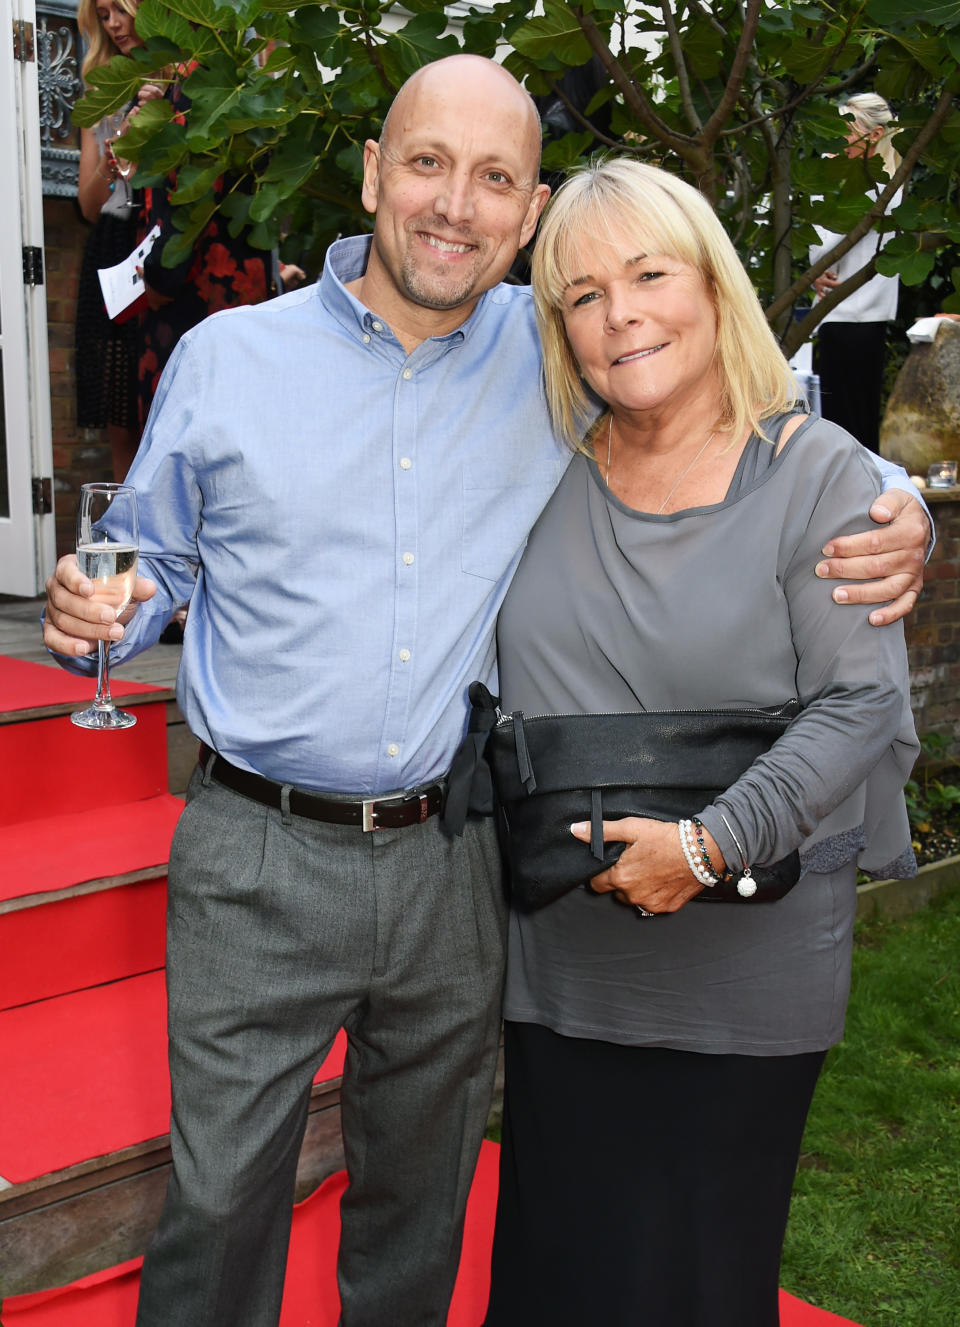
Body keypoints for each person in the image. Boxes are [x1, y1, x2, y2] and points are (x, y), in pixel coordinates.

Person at [43, 56, 928, 1327]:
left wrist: (904, 519)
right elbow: (147, 554)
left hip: (452, 856)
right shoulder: (231, 358)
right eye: (427, 163)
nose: (454, 205)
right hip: (256, 850)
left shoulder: (559, 349)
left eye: (495, 180)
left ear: (524, 217)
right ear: (372, 173)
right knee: (223, 1202)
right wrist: (98, 604)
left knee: (421, 1212)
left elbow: (739, 423)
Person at [483, 158, 919, 1327]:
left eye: (647, 273)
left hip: (747, 968)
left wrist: (709, 846)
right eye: (581, 294)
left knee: (697, 1288)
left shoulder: (819, 477)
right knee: (557, 1278)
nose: (620, 314)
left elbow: (858, 704)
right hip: (565, 965)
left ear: (713, 285)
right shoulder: (537, 470)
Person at [74, 0, 162, 479]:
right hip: (114, 245)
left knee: (163, 404)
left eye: (120, 9)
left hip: (166, 240)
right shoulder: (100, 88)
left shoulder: (180, 74)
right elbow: (88, 205)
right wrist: (116, 155)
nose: (113, 23)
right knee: (120, 415)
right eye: (103, 13)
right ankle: (124, 546)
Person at [811, 93, 903, 452]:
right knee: (859, 422)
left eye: (846, 130)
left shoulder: (865, 181)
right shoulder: (894, 181)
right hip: (862, 316)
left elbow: (823, 246)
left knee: (843, 428)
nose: (838, 139)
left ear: (875, 133)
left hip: (845, 314)